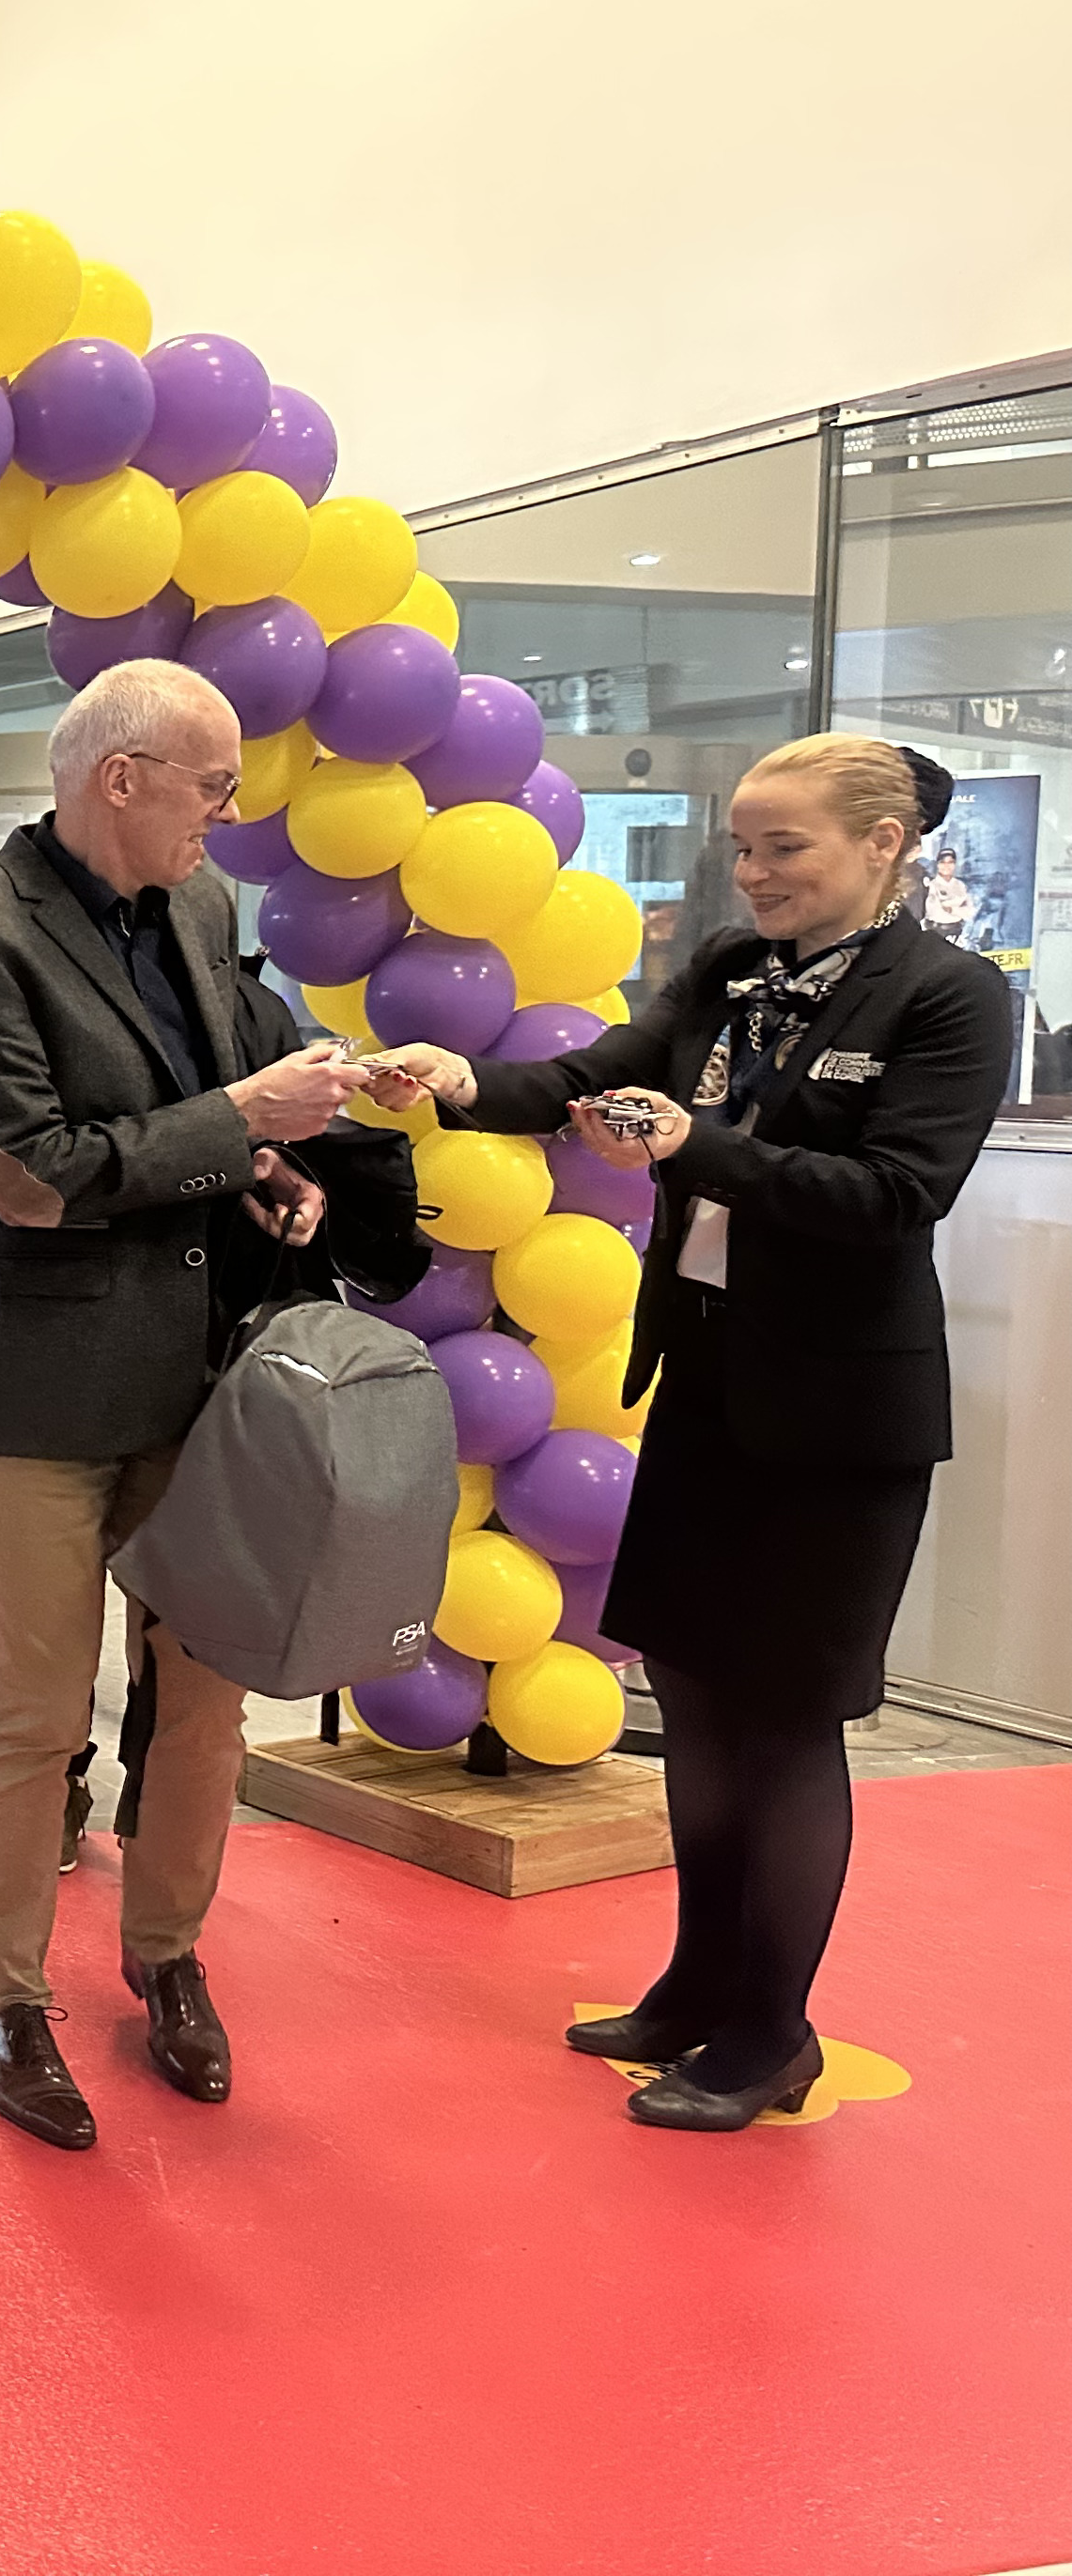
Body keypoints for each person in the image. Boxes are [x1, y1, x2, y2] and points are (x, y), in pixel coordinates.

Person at [363, 735, 1004, 2133]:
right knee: (699, 1703)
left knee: (782, 1724)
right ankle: (697, 1987)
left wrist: (688, 1151)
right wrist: (460, 1080)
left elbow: (894, 1196)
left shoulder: (947, 998)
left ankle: (773, 2030)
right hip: (710, 1389)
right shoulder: (728, 973)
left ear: (885, 844)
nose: (756, 870)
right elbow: (593, 1075)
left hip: (839, 1421)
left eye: (788, 846)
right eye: (746, 843)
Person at [0, 658, 370, 2152]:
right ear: (122, 777)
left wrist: (275, 1170)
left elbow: (201, 1109)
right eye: (212, 787)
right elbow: (30, 1175)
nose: (225, 819)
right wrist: (239, 1123)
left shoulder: (203, 912)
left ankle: (168, 1957)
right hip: (38, 1388)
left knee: (205, 1698)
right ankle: (7, 1996)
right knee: (34, 1711)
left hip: (199, 1377)